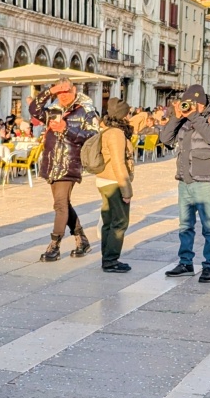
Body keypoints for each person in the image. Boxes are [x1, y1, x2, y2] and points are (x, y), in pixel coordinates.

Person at [159, 84, 210, 283]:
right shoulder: (185, 117)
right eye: (187, 103)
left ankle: (209, 266)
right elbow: (165, 139)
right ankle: (185, 263)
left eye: (194, 104)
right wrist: (176, 117)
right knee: (185, 225)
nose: (190, 106)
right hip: (185, 180)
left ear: (202, 103)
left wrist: (194, 116)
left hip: (207, 181)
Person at [30, 77, 98, 261]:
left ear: (74, 90)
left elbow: (93, 136)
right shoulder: (53, 109)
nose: (63, 96)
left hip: (70, 163)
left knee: (60, 204)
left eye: (66, 91)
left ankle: (55, 245)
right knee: (64, 204)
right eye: (60, 92)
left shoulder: (85, 111)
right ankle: (82, 240)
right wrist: (50, 91)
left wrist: (66, 129)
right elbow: (34, 109)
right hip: (52, 163)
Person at [95, 98, 134, 273]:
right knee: (120, 222)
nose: (129, 117)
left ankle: (107, 257)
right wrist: (126, 190)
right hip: (114, 182)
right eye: (127, 114)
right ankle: (111, 260)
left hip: (103, 179)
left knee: (108, 221)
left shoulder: (107, 130)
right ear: (121, 116)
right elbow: (119, 163)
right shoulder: (116, 134)